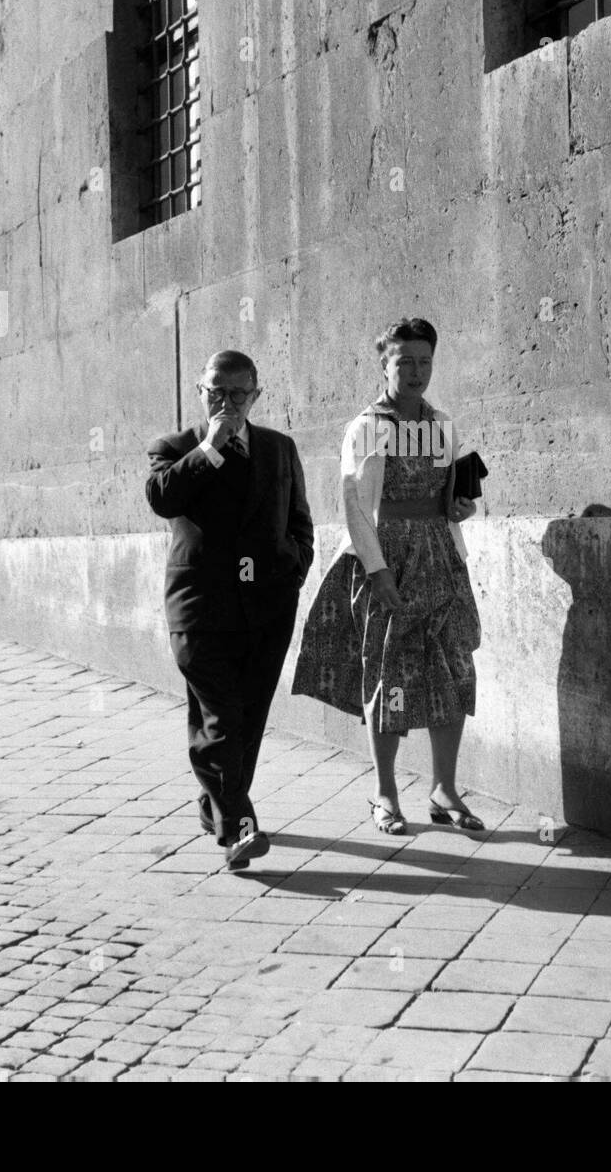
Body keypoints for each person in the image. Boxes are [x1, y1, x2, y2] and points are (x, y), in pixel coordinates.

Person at [292, 318, 484, 835]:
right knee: (388, 674)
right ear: (384, 364)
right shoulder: (366, 427)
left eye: (424, 361)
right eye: (404, 362)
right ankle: (384, 792)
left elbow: (452, 500)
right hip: (388, 557)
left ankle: (444, 790)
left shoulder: (443, 424)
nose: (416, 371)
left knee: (454, 671)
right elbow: (354, 505)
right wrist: (376, 571)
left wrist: (460, 506)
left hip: (440, 558)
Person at [145, 350, 314, 870]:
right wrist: (210, 449)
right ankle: (238, 830)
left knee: (246, 719)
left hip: (266, 607)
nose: (226, 402)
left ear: (256, 395)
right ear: (201, 391)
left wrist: (295, 568)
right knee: (221, 719)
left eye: (238, 393)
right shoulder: (174, 447)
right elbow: (161, 498)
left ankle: (214, 803)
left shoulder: (280, 448)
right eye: (216, 392)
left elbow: (300, 520)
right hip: (200, 609)